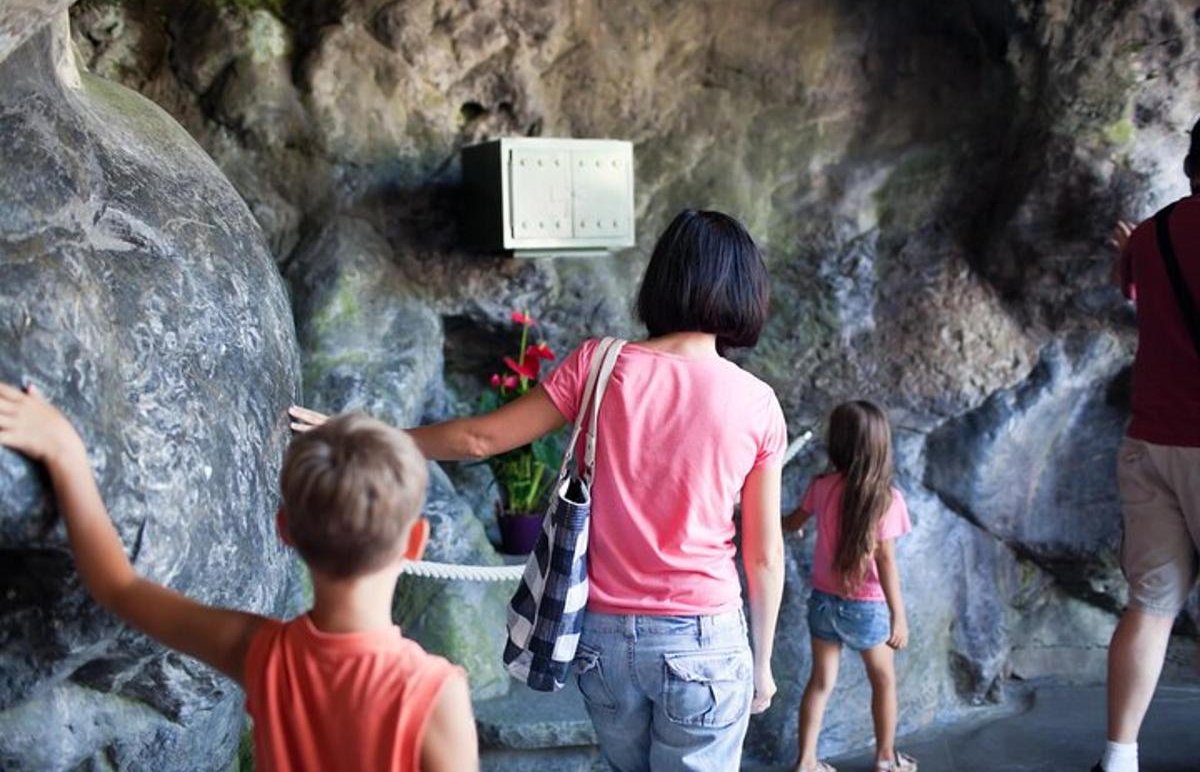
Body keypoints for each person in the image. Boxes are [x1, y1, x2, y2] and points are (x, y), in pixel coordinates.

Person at [292, 208, 788, 772]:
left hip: (602, 641)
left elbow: (480, 439)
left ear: (664, 278)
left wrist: (367, 436)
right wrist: (764, 660)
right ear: (747, 288)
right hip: (705, 639)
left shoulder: (600, 365)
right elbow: (764, 554)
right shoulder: (757, 403)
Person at [0, 391, 478, 772]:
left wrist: (65, 451)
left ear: (284, 529)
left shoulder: (262, 654)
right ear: (416, 541)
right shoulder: (436, 697)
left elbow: (118, 587)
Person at [1096, 119, 1200, 772]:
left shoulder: (1157, 230)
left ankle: (1118, 755)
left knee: (1151, 606)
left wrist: (1131, 251)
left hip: (1150, 440)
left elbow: (1128, 289)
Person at [781, 400, 915, 772]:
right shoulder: (886, 499)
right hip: (866, 607)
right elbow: (885, 560)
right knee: (884, 681)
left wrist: (758, 519)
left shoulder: (822, 486)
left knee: (821, 682)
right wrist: (898, 617)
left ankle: (806, 761)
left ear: (836, 443)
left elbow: (791, 522)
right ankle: (886, 759)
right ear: (879, 445)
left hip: (823, 602)